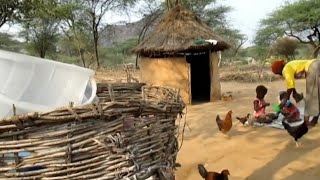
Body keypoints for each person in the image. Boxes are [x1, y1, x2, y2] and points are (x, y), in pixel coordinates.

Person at [271, 59, 320, 126]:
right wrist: (295, 93)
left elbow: (290, 86)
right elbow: (292, 85)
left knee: (312, 97)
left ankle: (309, 121)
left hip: (313, 67)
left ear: (279, 70)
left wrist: (285, 99)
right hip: (316, 64)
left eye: (278, 73)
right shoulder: (290, 65)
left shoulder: (285, 69)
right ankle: (314, 120)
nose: (280, 74)